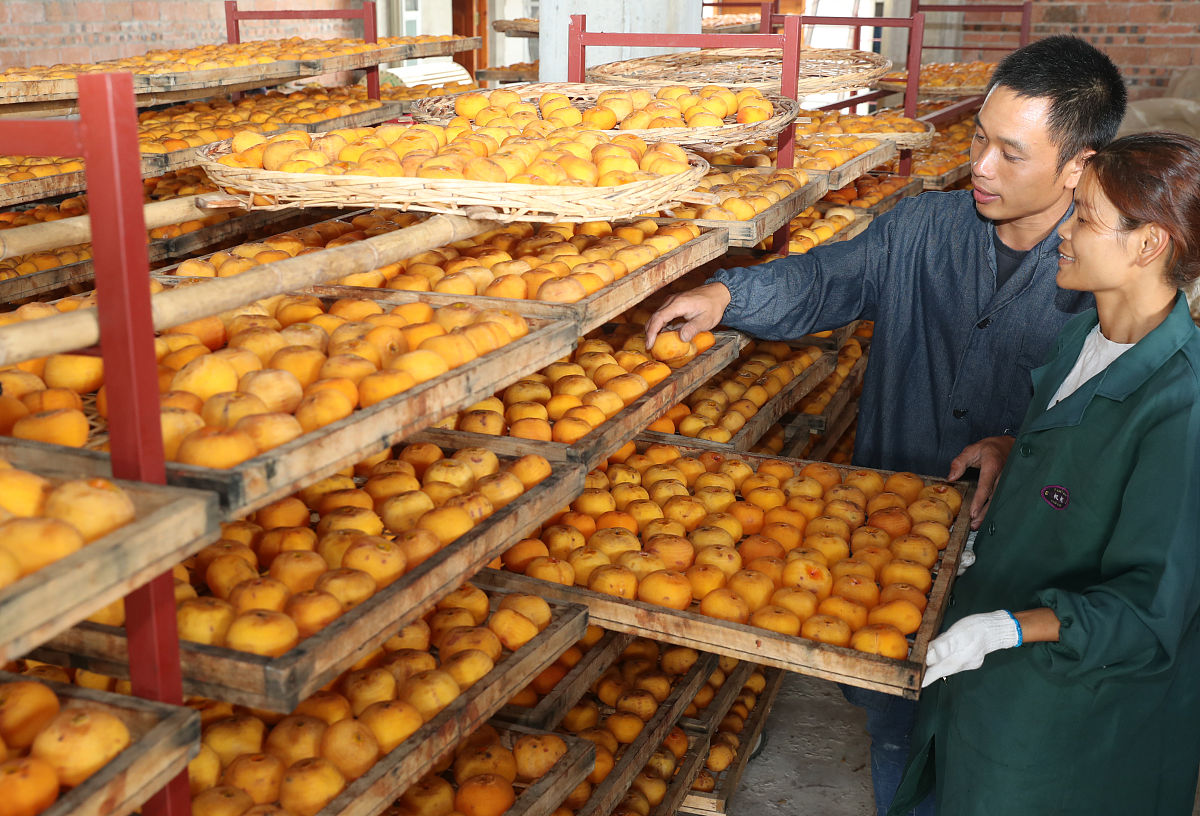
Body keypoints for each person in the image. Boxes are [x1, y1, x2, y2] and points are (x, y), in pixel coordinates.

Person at [644, 35, 1126, 816]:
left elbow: (1120, 423)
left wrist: (1023, 448)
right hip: (894, 531)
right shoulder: (921, 230)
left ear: (1077, 167)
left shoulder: (1107, 272)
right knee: (896, 733)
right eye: (977, 137)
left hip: (1022, 564)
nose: (980, 165)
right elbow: (828, 278)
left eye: (1011, 152)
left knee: (999, 745)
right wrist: (728, 297)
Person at [889, 131, 1200, 815]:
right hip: (991, 692)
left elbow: (1149, 615)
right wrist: (1013, 447)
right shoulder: (1080, 339)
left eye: (1084, 217)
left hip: (1073, 722)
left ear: (1148, 245)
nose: (1064, 231)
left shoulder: (1184, 406)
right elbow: (1078, 451)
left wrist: (1008, 629)